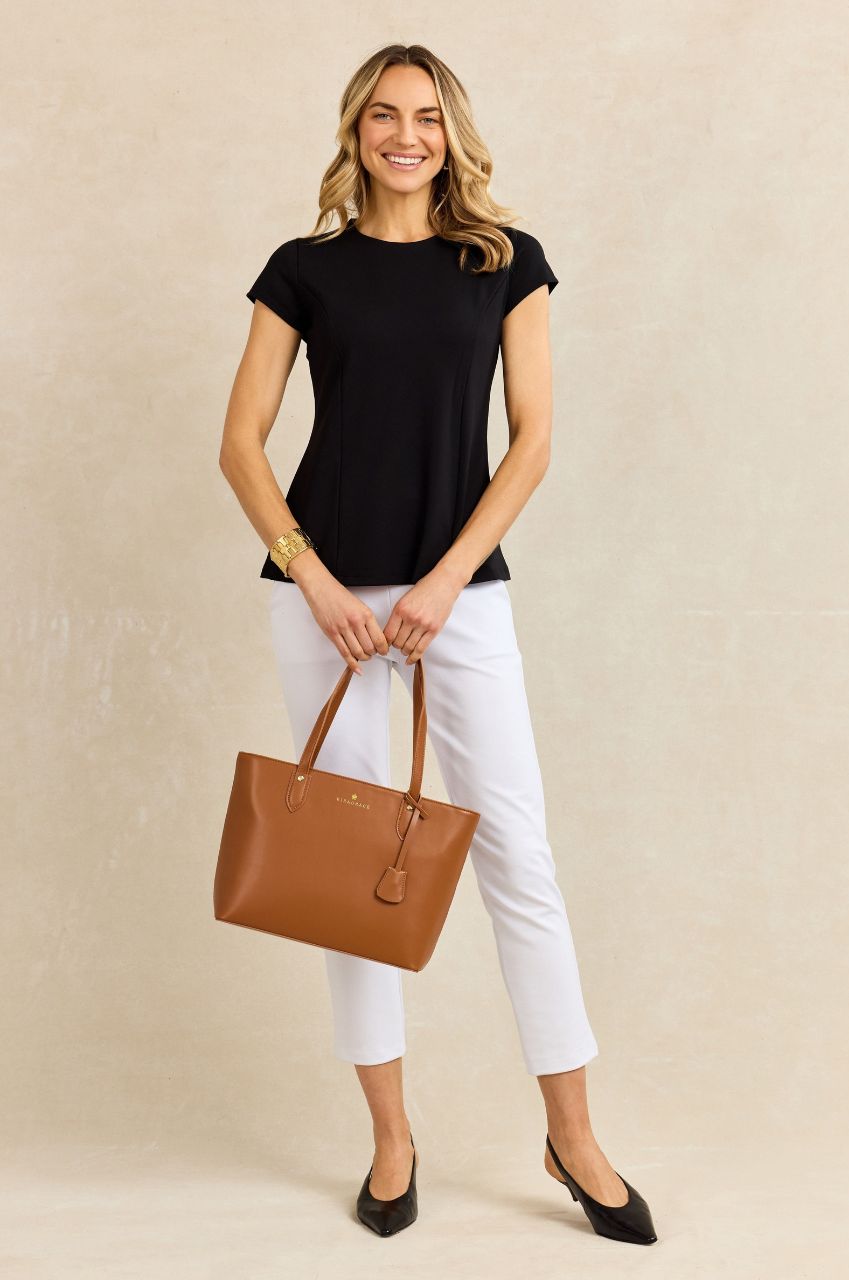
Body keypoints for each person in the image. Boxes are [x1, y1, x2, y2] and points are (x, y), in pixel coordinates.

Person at [219, 43, 657, 1246]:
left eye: (423, 116)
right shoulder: (301, 271)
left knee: (517, 846)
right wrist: (311, 574)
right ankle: (392, 1140)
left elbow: (532, 441)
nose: (403, 134)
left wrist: (446, 579)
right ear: (355, 128)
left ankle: (572, 1134)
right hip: (327, 606)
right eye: (381, 114)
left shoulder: (504, 264)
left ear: (450, 133)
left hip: (458, 597)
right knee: (354, 876)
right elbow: (242, 445)